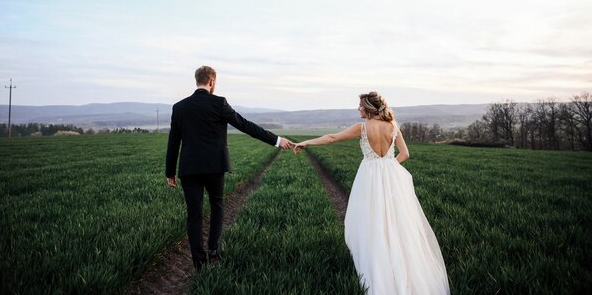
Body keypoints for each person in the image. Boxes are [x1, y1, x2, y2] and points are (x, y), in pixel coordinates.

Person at [293, 92, 450, 295]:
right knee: (396, 220)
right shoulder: (394, 127)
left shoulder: (363, 128)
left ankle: (377, 259)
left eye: (360, 106)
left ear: (368, 108)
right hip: (391, 176)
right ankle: (399, 259)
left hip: (369, 177)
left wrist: (306, 142)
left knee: (370, 218)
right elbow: (405, 154)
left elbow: (332, 138)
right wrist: (388, 166)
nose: (358, 109)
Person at [166, 65, 294, 270]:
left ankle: (199, 261)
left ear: (196, 80)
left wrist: (169, 171)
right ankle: (214, 249)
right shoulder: (219, 103)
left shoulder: (179, 107)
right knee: (217, 205)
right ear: (212, 82)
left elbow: (173, 141)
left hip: (189, 169)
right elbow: (246, 125)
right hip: (215, 166)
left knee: (194, 214)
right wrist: (277, 140)